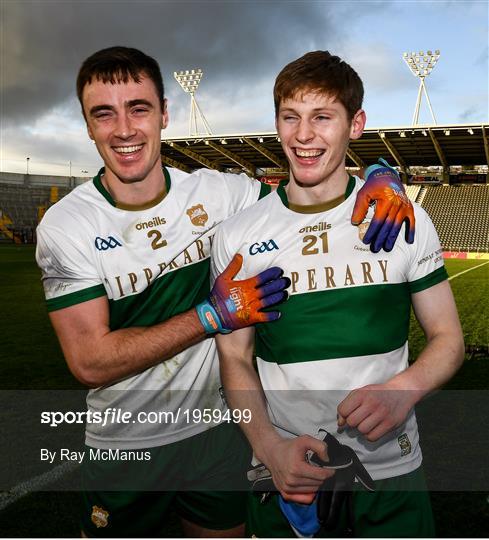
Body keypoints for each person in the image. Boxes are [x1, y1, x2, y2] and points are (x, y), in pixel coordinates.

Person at [35, 46, 416, 538]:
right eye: (104, 114)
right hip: (126, 442)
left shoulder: (219, 193)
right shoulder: (68, 224)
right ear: (88, 125)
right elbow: (89, 361)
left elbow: (311, 189)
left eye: (139, 108)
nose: (124, 129)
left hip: (219, 431)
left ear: (164, 114)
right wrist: (213, 315)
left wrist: (381, 175)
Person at [212, 50, 464, 537]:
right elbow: (235, 359)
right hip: (286, 477)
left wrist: (404, 392)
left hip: (392, 474)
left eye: (322, 117)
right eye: (291, 117)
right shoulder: (237, 236)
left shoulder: (400, 216)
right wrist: (267, 447)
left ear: (356, 125)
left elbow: (447, 338)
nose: (304, 135)